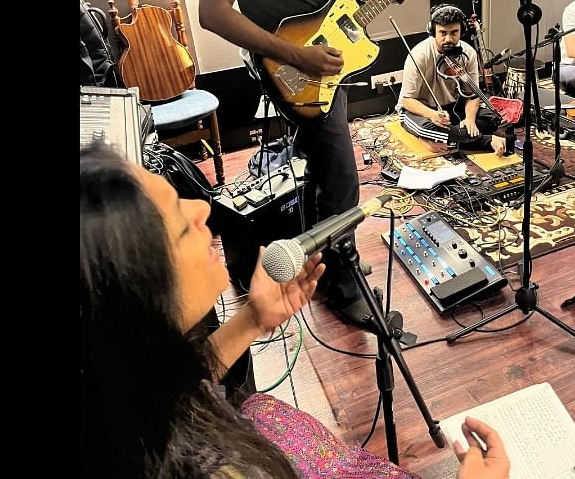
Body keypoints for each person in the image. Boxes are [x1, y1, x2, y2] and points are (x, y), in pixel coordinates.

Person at [80, 142, 511, 478]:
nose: (203, 208)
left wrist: (252, 319)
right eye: (177, 221)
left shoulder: (117, 401)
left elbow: (170, 396)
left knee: (263, 409)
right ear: (138, 294)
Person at [198, 0, 441, 328]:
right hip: (290, 70)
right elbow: (213, 11)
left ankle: (320, 262)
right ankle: (339, 279)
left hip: (321, 62)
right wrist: (295, 55)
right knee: (339, 173)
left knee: (326, 172)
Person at [397, 4, 509, 156]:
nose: (448, 39)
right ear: (433, 31)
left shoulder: (468, 53)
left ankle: (444, 137)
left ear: (461, 30)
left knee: (491, 120)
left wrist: (469, 118)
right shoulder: (418, 55)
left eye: (454, 32)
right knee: (427, 128)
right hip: (420, 110)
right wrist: (431, 114)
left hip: (452, 109)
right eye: (442, 33)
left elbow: (473, 94)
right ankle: (484, 140)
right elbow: (407, 101)